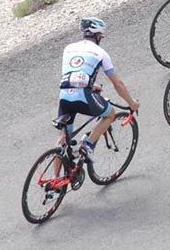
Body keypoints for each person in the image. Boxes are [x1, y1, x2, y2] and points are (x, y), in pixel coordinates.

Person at [57, 17, 139, 163]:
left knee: (62, 143)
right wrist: (132, 103)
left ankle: (57, 175)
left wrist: (91, 85)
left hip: (64, 96)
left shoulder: (68, 48)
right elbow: (118, 84)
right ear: (97, 35)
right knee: (110, 114)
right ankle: (87, 145)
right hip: (82, 96)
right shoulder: (100, 53)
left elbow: (73, 74)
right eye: (101, 35)